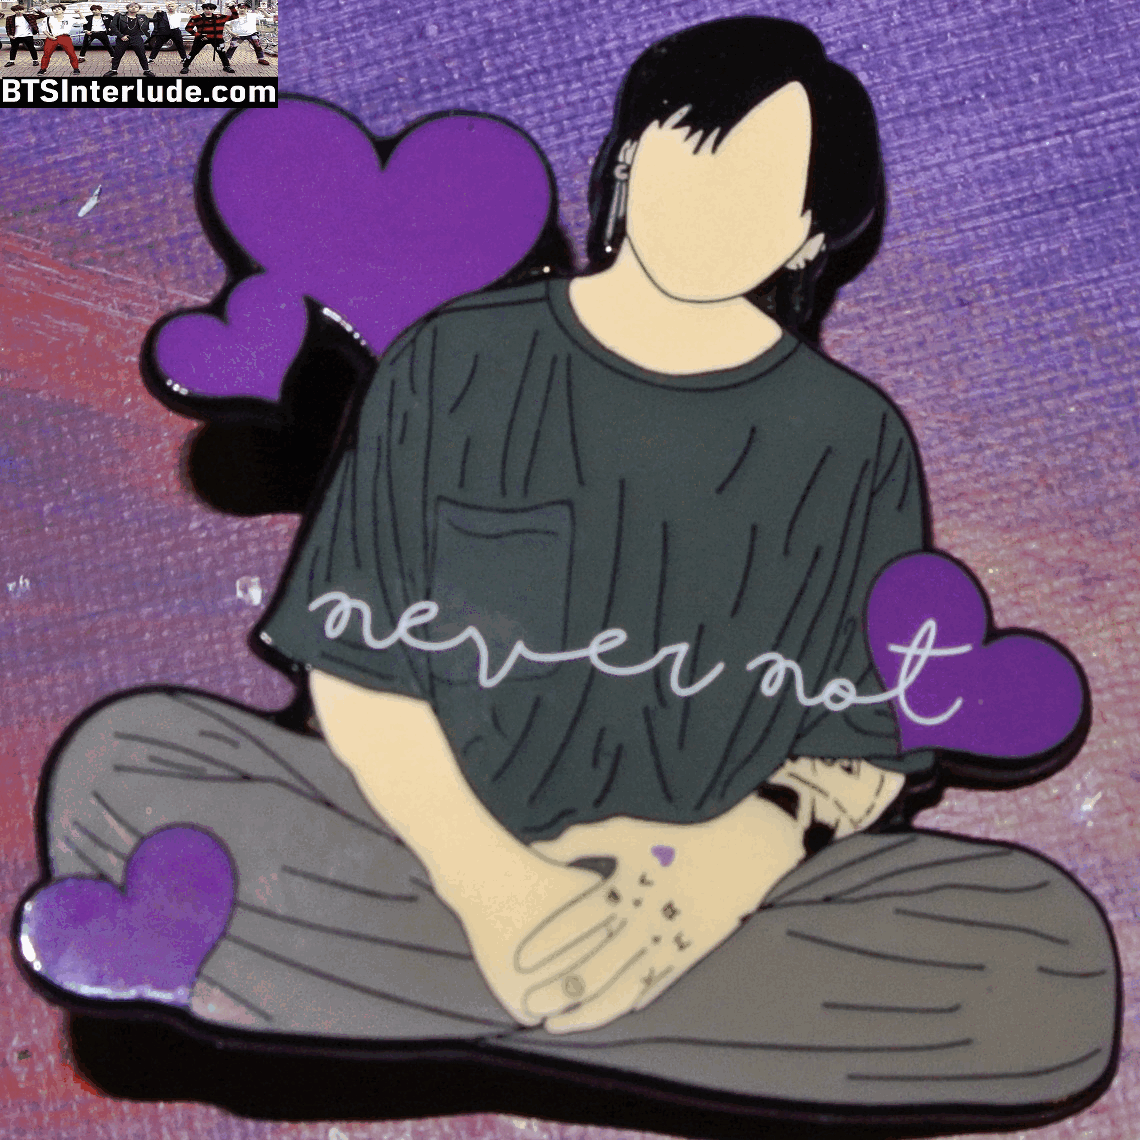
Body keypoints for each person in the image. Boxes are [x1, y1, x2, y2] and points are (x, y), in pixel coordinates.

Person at [29, 16, 1117, 1120]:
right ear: (630, 162)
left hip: (708, 900)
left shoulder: (850, 438)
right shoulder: (458, 357)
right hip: (420, 845)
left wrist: (726, 868)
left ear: (807, 240)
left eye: (760, 189)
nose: (711, 204)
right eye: (694, 155)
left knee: (1047, 953)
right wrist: (497, 892)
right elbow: (357, 673)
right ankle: (606, 1006)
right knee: (127, 764)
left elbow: (858, 742)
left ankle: (398, 988)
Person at [182, 1, 234, 73]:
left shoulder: (219, 17)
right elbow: (188, 28)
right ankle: (185, 66)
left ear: (214, 10)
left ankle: (226, 66)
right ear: (203, 9)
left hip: (217, 39)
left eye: (211, 9)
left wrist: (232, 7)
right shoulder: (197, 18)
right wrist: (198, 35)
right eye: (207, 9)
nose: (209, 10)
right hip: (201, 39)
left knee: (222, 53)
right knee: (193, 52)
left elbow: (235, 16)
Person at [104, 1, 151, 75]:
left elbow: (156, 19)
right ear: (127, 8)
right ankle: (113, 70)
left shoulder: (142, 17)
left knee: (142, 55)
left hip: (136, 38)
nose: (133, 8)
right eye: (131, 6)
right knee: (117, 55)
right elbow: (113, 26)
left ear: (139, 9)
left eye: (136, 7)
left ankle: (147, 70)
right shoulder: (119, 16)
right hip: (122, 38)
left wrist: (159, 12)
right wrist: (121, 36)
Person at [38, 3, 79, 72]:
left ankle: (76, 68)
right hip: (51, 37)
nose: (56, 10)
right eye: (54, 9)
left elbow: (84, 21)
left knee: (71, 54)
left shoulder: (69, 18)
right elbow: (43, 29)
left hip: (64, 37)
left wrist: (79, 13)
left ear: (63, 11)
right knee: (46, 54)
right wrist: (49, 36)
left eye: (59, 9)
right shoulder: (48, 19)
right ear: (52, 11)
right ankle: (43, 69)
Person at [4, 3, 46, 67]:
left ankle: (35, 60)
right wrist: (9, 35)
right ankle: (11, 61)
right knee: (13, 48)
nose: (19, 11)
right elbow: (8, 27)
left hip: (28, 35)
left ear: (23, 10)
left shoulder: (29, 16)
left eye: (20, 10)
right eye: (17, 10)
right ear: (14, 11)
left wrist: (36, 10)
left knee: (31, 48)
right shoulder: (10, 18)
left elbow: (43, 15)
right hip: (15, 36)